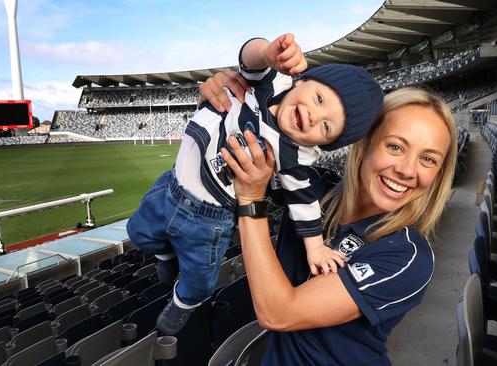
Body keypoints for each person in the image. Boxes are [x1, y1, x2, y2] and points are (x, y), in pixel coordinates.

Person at [126, 33, 384, 335]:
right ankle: (165, 255)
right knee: (138, 232)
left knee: (199, 280)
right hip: (171, 184)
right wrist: (268, 51)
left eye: (327, 126)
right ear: (301, 81)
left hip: (209, 217)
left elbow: (305, 204)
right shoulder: (270, 84)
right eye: (319, 99)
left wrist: (316, 250)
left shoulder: (293, 157)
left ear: (325, 144)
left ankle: (184, 302)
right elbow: (249, 58)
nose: (315, 116)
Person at [201, 73, 457, 365]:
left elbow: (279, 313)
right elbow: (222, 162)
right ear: (365, 143)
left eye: (428, 159)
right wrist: (224, 99)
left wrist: (250, 201)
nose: (408, 171)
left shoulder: (408, 257)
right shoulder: (312, 188)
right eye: (396, 147)